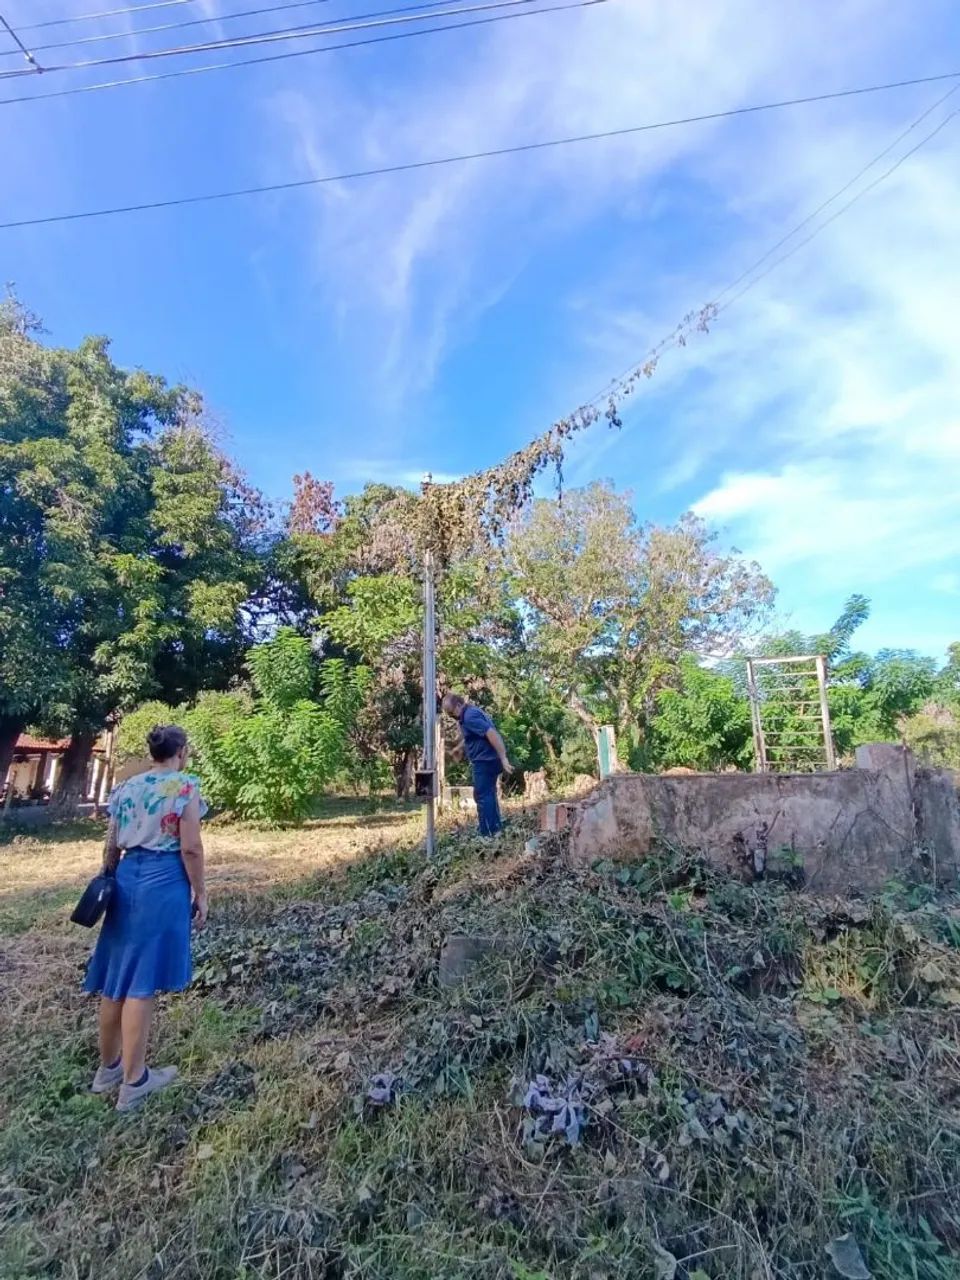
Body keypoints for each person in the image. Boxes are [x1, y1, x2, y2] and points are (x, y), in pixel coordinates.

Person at [84, 725, 208, 1113]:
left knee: (116, 979)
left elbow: (111, 843)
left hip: (125, 879)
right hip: (162, 882)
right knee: (141, 981)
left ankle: (108, 1069)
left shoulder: (126, 787)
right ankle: (135, 1081)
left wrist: (108, 879)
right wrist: (201, 893)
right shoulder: (184, 787)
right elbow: (191, 848)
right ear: (181, 751)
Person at [442, 693, 514, 836]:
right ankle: (494, 827)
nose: (451, 716)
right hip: (486, 759)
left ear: (458, 705)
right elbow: (473, 736)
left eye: (451, 712)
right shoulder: (469, 713)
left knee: (482, 795)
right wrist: (458, 749)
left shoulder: (469, 717)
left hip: (485, 760)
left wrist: (503, 757)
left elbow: (491, 733)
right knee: (487, 793)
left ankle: (489, 832)